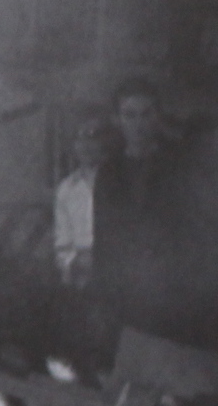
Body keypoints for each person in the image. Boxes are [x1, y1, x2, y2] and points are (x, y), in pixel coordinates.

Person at [90, 77, 196, 345]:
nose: (139, 124)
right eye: (130, 115)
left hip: (171, 291)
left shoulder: (179, 165)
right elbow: (103, 235)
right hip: (124, 289)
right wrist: (101, 293)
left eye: (146, 114)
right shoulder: (109, 172)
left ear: (158, 116)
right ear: (117, 119)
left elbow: (192, 228)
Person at [52, 115, 111, 289]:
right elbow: (63, 241)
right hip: (80, 278)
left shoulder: (117, 181)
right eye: (79, 137)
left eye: (92, 136)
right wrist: (71, 265)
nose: (85, 145)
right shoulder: (67, 188)